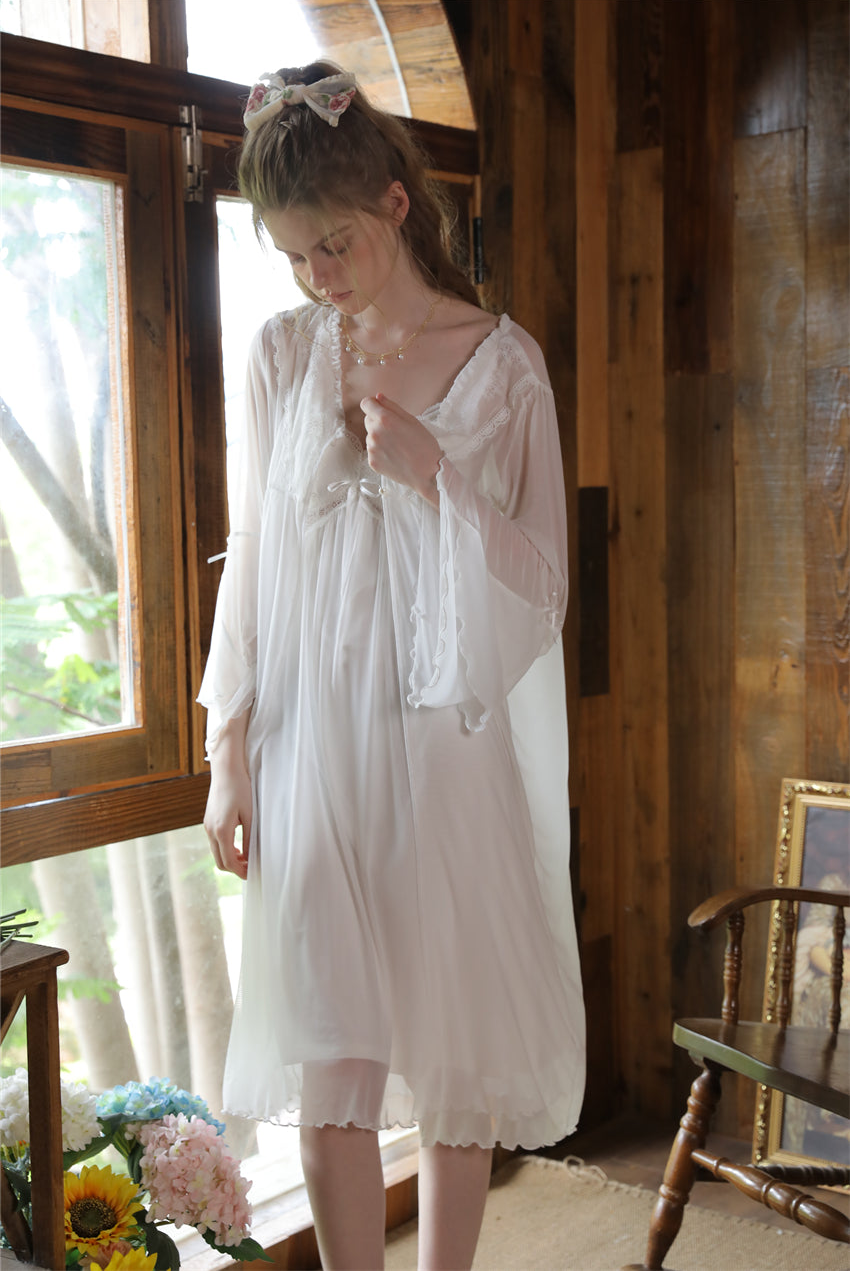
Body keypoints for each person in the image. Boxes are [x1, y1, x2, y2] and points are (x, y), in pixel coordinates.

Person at [200, 62, 585, 1271]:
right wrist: (226, 749)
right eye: (294, 255)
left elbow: (542, 583)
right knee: (333, 1069)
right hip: (309, 752)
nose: (320, 276)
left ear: (396, 205)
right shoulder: (280, 356)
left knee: (454, 1063)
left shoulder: (503, 364)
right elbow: (252, 554)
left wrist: (433, 473)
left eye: (337, 244)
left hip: (442, 756)